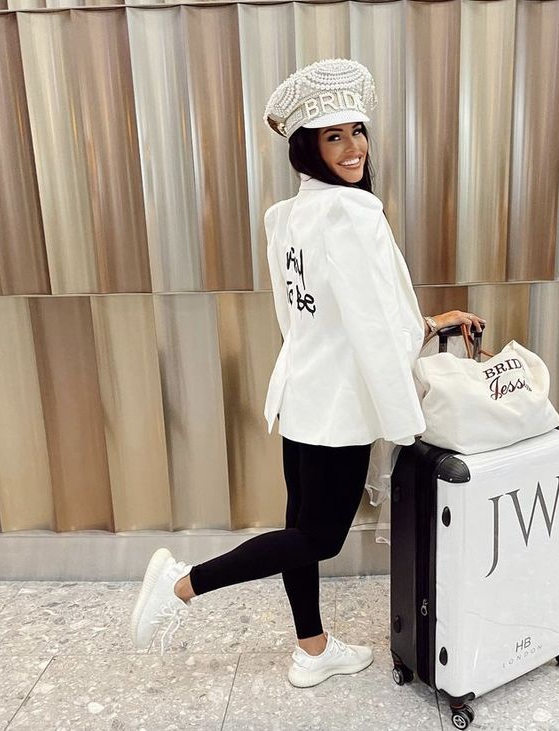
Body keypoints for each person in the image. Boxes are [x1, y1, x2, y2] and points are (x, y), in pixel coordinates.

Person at [130, 58, 486, 688]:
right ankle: (182, 585)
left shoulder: (285, 217)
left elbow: (304, 318)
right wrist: (404, 414)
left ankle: (313, 649)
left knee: (301, 528)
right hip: (340, 407)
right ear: (307, 148)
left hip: (300, 394)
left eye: (358, 131)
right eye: (334, 136)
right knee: (318, 540)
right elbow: (375, 325)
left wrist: (426, 321)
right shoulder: (354, 214)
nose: (353, 148)